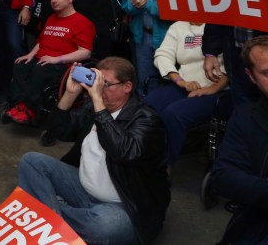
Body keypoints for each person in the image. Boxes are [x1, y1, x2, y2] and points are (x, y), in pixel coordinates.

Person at [17, 57, 170, 245]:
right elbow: (58, 130)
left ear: (127, 86)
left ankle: (46, 213)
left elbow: (123, 152)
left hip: (124, 205)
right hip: (82, 189)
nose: (98, 89)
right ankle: (59, 217)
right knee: (31, 161)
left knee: (103, 227)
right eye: (96, 82)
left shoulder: (147, 119)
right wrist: (70, 95)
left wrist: (98, 103)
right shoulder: (93, 108)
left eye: (105, 84)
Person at [5, 0, 95, 125]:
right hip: (43, 59)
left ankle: (31, 110)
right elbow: (41, 42)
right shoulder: (52, 18)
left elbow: (85, 52)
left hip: (62, 64)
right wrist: (30, 55)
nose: (54, 0)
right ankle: (18, 105)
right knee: (20, 65)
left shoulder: (82, 22)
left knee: (40, 70)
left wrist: (56, 59)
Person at [146, 20, 228, 171]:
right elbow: (163, 55)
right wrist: (180, 81)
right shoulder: (178, 26)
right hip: (183, 83)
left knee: (173, 114)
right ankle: (143, 155)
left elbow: (235, 63)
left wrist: (213, 88)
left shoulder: (220, 25)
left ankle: (164, 167)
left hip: (217, 89)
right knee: (147, 106)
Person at [211, 36, 268, 245]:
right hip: (257, 221)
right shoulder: (245, 116)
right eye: (267, 73)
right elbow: (224, 176)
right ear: (251, 76)